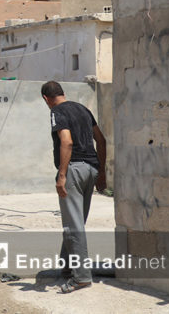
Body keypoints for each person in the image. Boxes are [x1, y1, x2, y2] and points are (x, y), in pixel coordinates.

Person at [41, 81, 107, 294]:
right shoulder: (83, 109)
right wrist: (102, 173)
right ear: (63, 93)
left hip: (74, 170)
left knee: (73, 225)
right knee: (77, 221)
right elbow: (101, 140)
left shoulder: (56, 112)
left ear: (46, 99)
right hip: (91, 169)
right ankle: (68, 267)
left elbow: (66, 142)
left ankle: (80, 278)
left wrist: (62, 175)